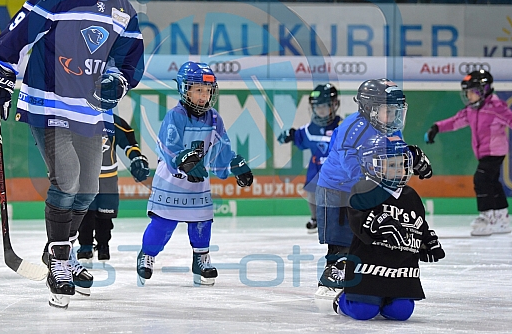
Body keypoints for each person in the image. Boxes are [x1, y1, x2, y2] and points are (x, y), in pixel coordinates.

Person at [0, 0, 145, 309]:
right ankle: (61, 261)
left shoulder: (123, 11)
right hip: (48, 102)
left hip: (90, 109)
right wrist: (0, 77)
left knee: (87, 189)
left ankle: (57, 250)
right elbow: (16, 39)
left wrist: (117, 81)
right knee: (65, 178)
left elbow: (128, 58)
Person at [136, 61, 254, 286]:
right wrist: (183, 161)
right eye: (198, 90)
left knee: (202, 222)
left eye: (208, 91)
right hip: (171, 181)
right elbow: (168, 147)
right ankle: (147, 255)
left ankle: (201, 259)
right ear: (184, 89)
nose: (204, 96)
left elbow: (222, 151)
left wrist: (234, 166)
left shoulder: (215, 119)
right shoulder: (175, 116)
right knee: (162, 224)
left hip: (198, 182)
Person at [315, 78, 433, 298]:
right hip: (337, 191)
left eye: (398, 111)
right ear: (369, 109)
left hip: (367, 189)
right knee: (342, 242)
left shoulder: (391, 129)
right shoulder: (352, 127)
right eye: (389, 110)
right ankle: (333, 276)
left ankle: (370, 277)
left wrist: (415, 159)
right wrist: (367, 178)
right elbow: (347, 159)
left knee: (368, 236)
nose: (395, 117)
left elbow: (399, 154)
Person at [332, 134, 445, 321]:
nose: (399, 170)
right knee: (363, 311)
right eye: (392, 165)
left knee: (401, 312)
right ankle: (342, 300)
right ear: (372, 165)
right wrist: (379, 223)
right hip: (369, 266)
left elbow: (417, 224)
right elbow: (357, 219)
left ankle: (385, 299)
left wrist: (427, 241)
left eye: (402, 164)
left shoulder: (411, 195)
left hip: (400, 267)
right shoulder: (364, 189)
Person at [424, 70, 512, 237]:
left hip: (495, 152)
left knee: (481, 179)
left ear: (483, 90)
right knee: (492, 183)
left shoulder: (496, 108)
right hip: (483, 153)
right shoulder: (472, 110)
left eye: (471, 92)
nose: (468, 96)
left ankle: (486, 218)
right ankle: (501, 219)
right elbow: (455, 121)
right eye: (467, 92)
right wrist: (437, 128)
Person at [77, 114, 150, 261]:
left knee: (105, 215)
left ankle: (103, 245)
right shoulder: (78, 117)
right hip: (84, 177)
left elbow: (129, 142)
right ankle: (85, 245)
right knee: (85, 214)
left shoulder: (114, 121)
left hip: (107, 179)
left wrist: (136, 157)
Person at [277, 84, 342, 234]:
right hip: (317, 168)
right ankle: (316, 218)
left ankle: (339, 217)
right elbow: (299, 136)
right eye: (317, 106)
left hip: (335, 169)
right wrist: (290, 135)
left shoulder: (342, 125)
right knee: (312, 191)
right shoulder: (309, 128)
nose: (321, 110)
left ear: (334, 105)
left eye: (325, 106)